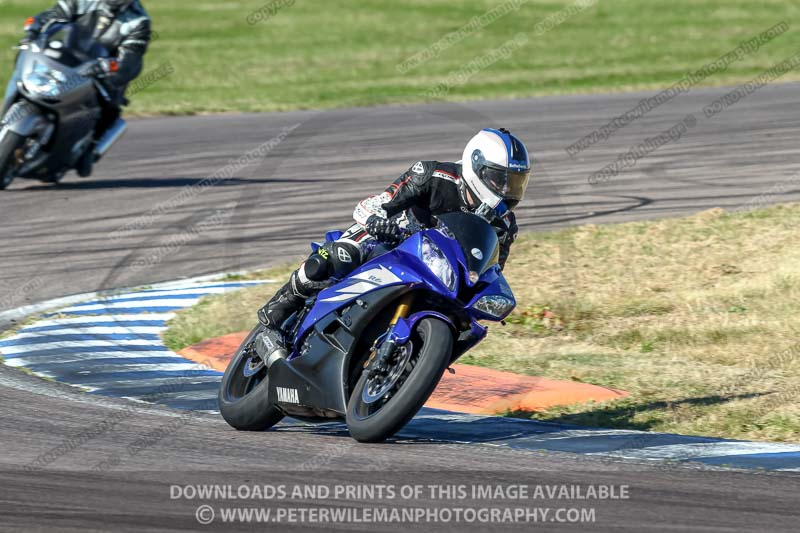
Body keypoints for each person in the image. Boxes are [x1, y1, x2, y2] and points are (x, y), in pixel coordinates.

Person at [258, 128, 531, 337]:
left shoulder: (504, 224)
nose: (507, 191)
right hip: (391, 239)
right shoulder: (432, 175)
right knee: (339, 255)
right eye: (500, 179)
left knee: (465, 327)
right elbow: (378, 203)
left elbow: (491, 268)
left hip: (438, 272)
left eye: (515, 183)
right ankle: (285, 301)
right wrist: (378, 221)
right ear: (476, 165)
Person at [22, 0, 151, 177]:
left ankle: (90, 147)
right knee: (26, 64)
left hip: (103, 72)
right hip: (65, 56)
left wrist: (113, 68)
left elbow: (132, 58)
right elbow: (53, 15)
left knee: (110, 106)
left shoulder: (138, 20)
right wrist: (35, 29)